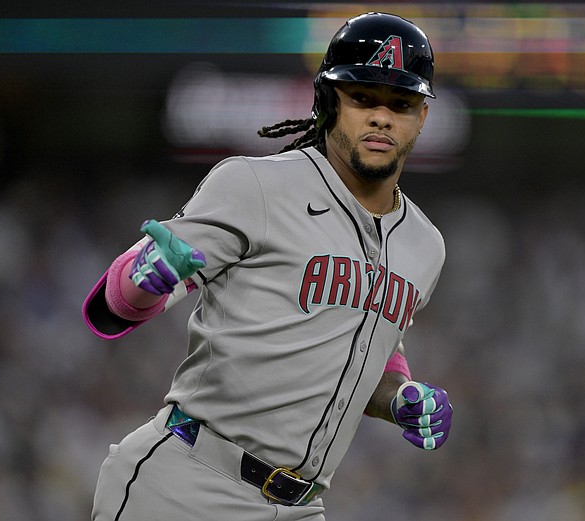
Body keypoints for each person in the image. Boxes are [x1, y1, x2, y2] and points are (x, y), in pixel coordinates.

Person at [83, 12, 453, 521]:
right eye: (363, 97)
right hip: (187, 483)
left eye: (401, 103)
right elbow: (110, 309)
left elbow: (370, 350)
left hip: (300, 506)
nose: (382, 117)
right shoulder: (256, 187)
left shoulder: (424, 244)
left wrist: (401, 396)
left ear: (422, 116)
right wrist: (144, 277)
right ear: (327, 102)